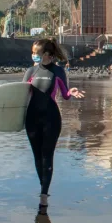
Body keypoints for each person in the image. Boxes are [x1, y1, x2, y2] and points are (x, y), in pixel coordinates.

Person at [23, 39, 85, 208]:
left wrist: (71, 91)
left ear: (48, 55)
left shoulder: (58, 71)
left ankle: (44, 194)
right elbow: (21, 96)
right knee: (37, 157)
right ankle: (43, 186)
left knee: (47, 156)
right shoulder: (30, 72)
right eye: (33, 52)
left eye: (37, 53)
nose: (33, 55)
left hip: (51, 118)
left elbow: (64, 94)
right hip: (31, 119)